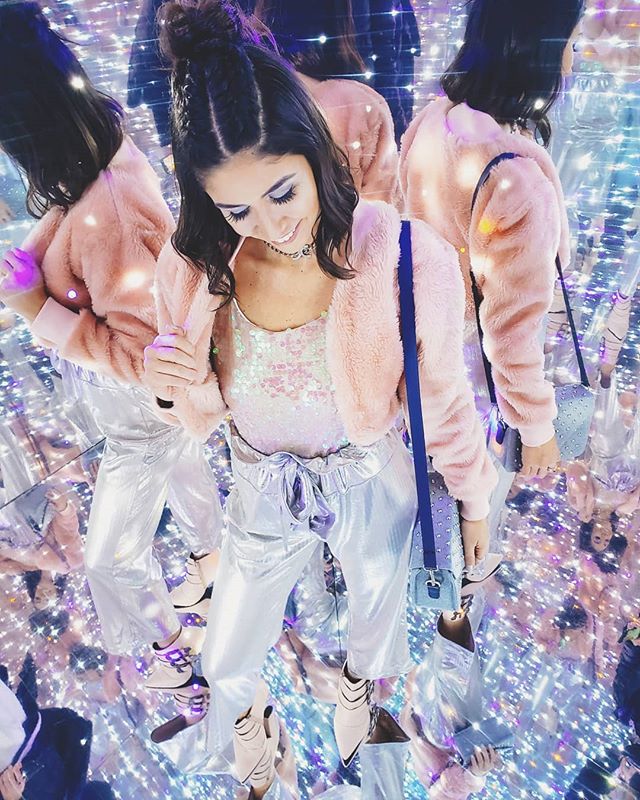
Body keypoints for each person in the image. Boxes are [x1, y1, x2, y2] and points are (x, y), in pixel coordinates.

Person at [143, 0, 497, 792]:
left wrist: (474, 502)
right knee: (226, 658)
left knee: (375, 622)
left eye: (281, 192)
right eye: (236, 207)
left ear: (310, 150)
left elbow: (444, 401)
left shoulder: (400, 255)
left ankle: (359, 697)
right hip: (260, 485)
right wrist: (172, 382)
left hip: (366, 476)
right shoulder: (196, 266)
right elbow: (193, 413)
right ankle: (260, 735)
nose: (268, 224)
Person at [0, 2, 221, 692]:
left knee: (108, 561)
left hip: (140, 417)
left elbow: (146, 357)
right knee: (187, 472)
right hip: (146, 414)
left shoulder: (108, 205)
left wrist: (39, 311)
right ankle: (213, 564)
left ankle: (178, 661)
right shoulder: (95, 152)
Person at [400, 0, 584, 537]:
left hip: (419, 351)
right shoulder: (516, 181)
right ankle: (465, 575)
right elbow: (510, 327)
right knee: (473, 512)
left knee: (429, 499)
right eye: (571, 43)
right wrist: (536, 424)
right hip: (476, 381)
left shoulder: (435, 119)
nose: (572, 60)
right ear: (537, 51)